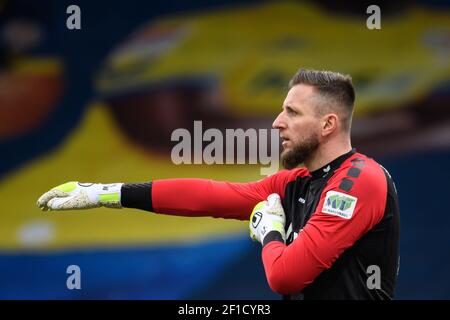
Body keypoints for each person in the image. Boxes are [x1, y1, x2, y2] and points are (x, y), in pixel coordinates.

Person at [37, 69, 400, 300]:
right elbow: (213, 196)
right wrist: (104, 193)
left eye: (292, 112)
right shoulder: (299, 181)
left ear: (327, 125)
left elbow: (287, 277)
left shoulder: (359, 180)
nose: (276, 122)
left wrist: (270, 232)